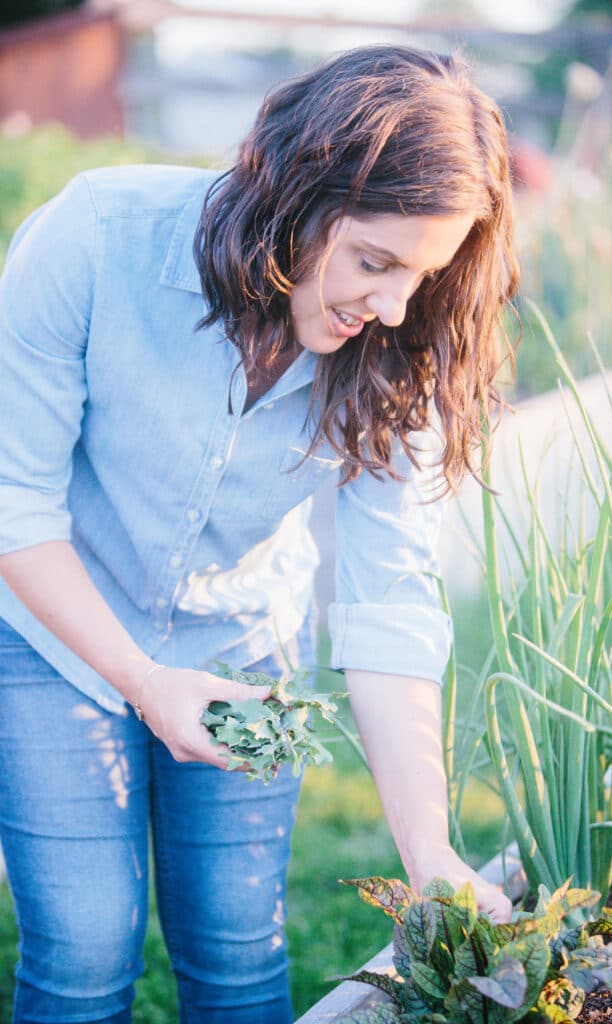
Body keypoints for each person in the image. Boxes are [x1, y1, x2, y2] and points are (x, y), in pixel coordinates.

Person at [0, 44, 518, 1024]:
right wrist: (143, 681)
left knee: (239, 957)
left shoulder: (400, 343)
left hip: (242, 645)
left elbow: (387, 597)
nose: (394, 305)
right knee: (82, 947)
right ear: (295, 191)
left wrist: (429, 855)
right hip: (53, 637)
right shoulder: (91, 240)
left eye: (424, 273)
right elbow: (12, 502)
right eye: (372, 261)